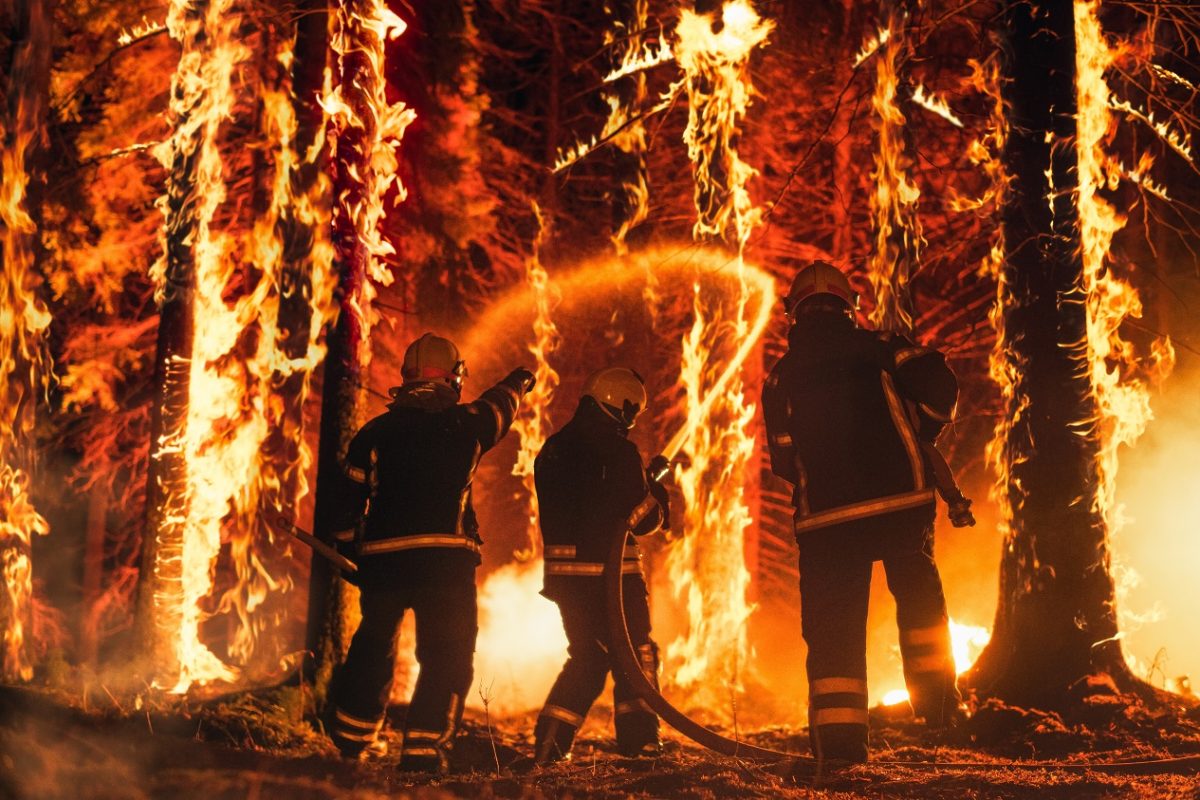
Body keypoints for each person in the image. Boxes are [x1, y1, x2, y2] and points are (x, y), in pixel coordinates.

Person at [762, 261, 969, 765]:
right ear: (849, 307)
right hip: (902, 504)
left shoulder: (781, 377)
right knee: (921, 606)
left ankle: (840, 746)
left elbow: (784, 458)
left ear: (795, 314)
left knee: (834, 630)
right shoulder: (882, 348)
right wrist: (920, 435)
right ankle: (940, 711)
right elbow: (942, 388)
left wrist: (823, 479)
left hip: (826, 521)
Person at [326, 332, 535, 774]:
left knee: (373, 646)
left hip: (383, 562)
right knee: (446, 655)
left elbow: (345, 504)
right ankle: (423, 750)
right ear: (455, 380)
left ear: (407, 380)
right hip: (444, 563)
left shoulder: (374, 433)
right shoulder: (467, 424)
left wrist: (350, 549)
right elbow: (501, 405)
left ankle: (350, 739)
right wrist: (520, 380)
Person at [532, 367, 670, 763]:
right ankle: (641, 742)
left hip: (566, 581)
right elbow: (640, 519)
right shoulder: (619, 452)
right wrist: (656, 491)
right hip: (613, 578)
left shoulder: (553, 450)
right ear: (623, 406)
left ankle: (550, 744)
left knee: (588, 658)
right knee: (635, 653)